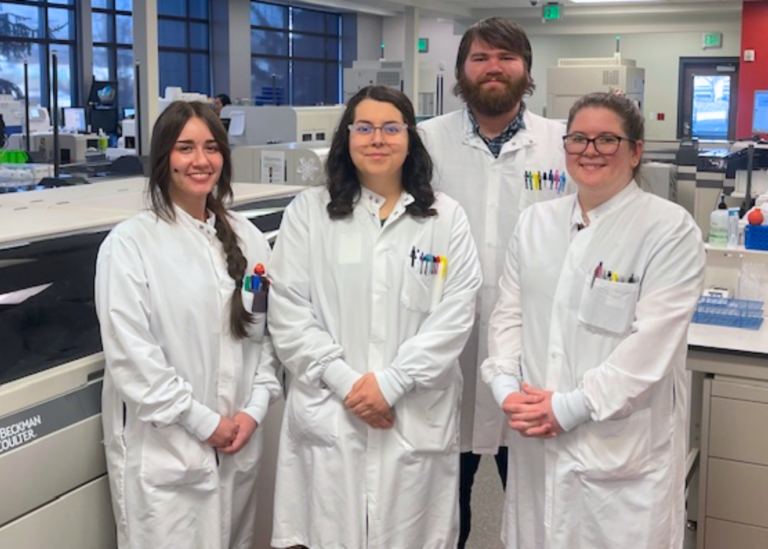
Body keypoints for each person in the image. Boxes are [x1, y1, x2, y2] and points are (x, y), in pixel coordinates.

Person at [481, 91, 706, 548]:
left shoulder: (669, 229)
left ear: (636, 150)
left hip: (618, 452)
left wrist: (568, 407)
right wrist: (506, 389)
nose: (590, 150)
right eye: (579, 139)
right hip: (537, 434)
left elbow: (650, 349)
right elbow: (508, 315)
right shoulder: (535, 223)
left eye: (608, 139)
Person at [268, 85, 482, 549]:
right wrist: (347, 381)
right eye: (363, 128)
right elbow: (288, 311)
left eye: (391, 128)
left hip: (411, 411)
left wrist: (392, 383)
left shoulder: (445, 218)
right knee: (328, 533)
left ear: (410, 138)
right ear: (347, 137)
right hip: (333, 409)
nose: (377, 139)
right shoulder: (309, 213)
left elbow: (457, 311)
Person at [95, 100, 281, 549]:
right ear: (163, 158)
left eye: (211, 147)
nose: (200, 161)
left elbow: (273, 335)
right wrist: (203, 422)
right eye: (185, 148)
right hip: (168, 452)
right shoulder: (130, 245)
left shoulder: (247, 236)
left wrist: (254, 410)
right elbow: (134, 359)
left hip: (237, 442)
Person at [418, 16, 571, 547]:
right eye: (480, 57)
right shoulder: (425, 141)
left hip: (531, 346)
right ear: (462, 69)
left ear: (526, 69)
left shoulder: (560, 144)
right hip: (441, 339)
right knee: (442, 499)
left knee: (534, 502)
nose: (493, 67)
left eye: (506, 57)